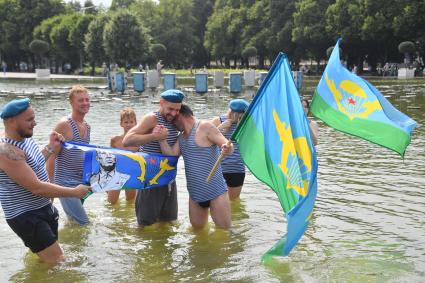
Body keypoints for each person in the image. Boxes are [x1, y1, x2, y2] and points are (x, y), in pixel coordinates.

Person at [0, 98, 90, 263]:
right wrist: (75, 192)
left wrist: (51, 148)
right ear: (11, 121)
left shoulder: (25, 137)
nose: (34, 123)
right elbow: (36, 187)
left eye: (33, 117)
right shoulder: (6, 151)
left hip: (43, 208)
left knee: (47, 262)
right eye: (29, 120)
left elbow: (34, 165)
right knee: (59, 263)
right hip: (26, 215)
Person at [157, 104, 234, 229]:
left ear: (180, 115)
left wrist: (227, 148)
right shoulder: (181, 137)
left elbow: (227, 146)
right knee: (198, 234)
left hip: (216, 192)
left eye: (173, 121)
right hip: (195, 195)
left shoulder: (204, 126)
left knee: (225, 232)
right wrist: (161, 140)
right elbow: (171, 155)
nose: (172, 125)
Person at [122, 89, 183, 226]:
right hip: (149, 179)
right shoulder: (152, 118)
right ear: (161, 103)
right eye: (170, 109)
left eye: (177, 110)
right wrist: (154, 137)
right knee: (145, 225)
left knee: (168, 223)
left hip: (169, 180)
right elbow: (127, 140)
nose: (173, 113)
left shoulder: (176, 120)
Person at [46, 85, 91, 225]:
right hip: (65, 184)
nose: (85, 103)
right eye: (80, 100)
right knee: (84, 224)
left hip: (80, 183)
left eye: (87, 100)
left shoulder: (87, 126)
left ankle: (69, 245)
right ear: (71, 103)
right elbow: (51, 158)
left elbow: (83, 155)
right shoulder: (64, 124)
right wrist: (51, 189)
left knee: (73, 223)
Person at [211, 99, 249, 201]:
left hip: (237, 168)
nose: (238, 118)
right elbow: (205, 139)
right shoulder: (218, 120)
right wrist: (221, 127)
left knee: (233, 202)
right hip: (218, 167)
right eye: (236, 115)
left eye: (241, 115)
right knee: (216, 201)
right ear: (230, 111)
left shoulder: (247, 124)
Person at [108, 108, 138, 204]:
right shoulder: (115, 140)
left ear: (136, 123)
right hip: (117, 174)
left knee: (130, 203)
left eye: (131, 122)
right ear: (121, 124)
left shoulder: (140, 141)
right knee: (111, 204)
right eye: (126, 122)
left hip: (132, 174)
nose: (129, 124)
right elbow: (109, 159)